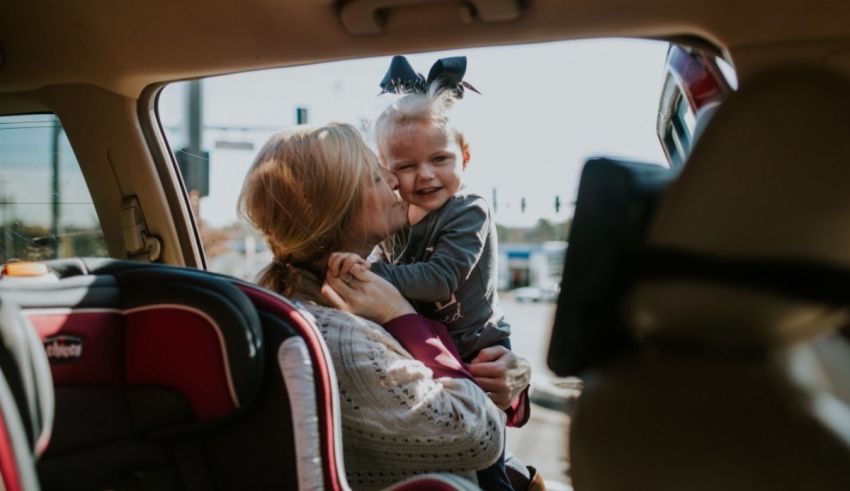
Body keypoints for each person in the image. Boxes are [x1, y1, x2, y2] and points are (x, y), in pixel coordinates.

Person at [238, 122, 532, 490]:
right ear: (338, 208)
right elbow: (477, 436)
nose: (395, 181)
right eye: (376, 178)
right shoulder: (341, 337)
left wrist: (513, 381)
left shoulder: (367, 289)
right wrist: (401, 317)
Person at [327, 56, 522, 490]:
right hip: (434, 342)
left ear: (465, 157)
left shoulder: (468, 209)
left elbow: (442, 276)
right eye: (406, 166)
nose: (426, 175)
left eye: (440, 158)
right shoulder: (397, 219)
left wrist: (373, 274)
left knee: (488, 467)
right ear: (386, 172)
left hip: (475, 344)